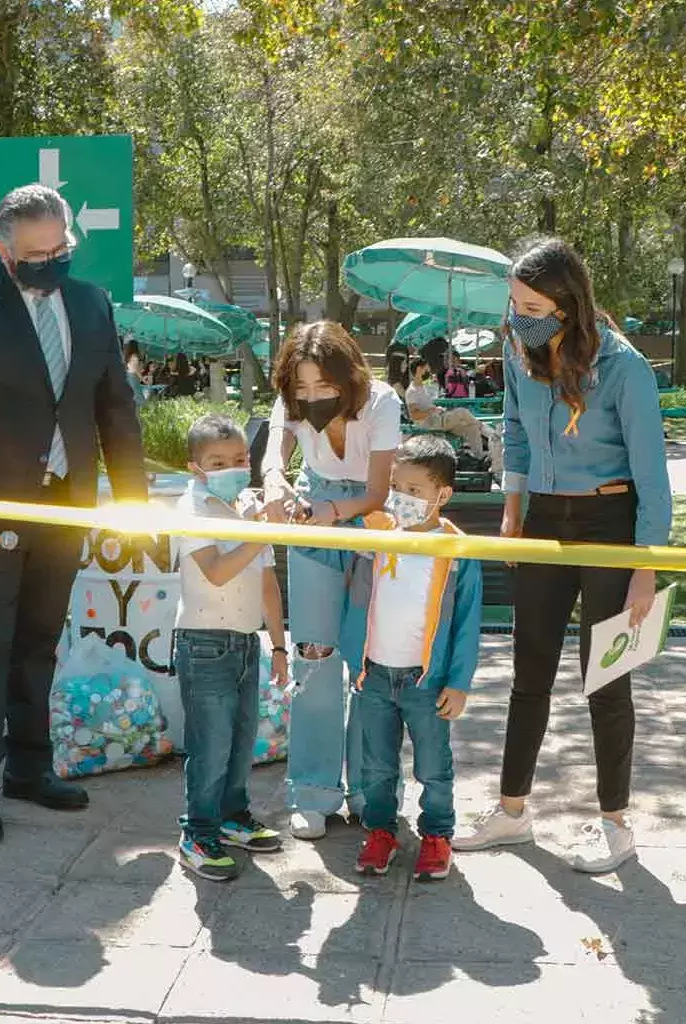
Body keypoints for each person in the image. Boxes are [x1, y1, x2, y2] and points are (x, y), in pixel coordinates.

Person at [0, 184, 147, 846]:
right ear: (3, 248)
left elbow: (115, 408)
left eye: (61, 248)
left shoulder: (91, 302)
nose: (51, 261)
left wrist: (130, 502)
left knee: (40, 639)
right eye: (36, 253)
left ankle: (31, 768)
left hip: (64, 502)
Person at [451, 237, 670, 874]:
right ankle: (513, 811)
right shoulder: (519, 353)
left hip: (610, 520)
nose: (518, 315)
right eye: (514, 302)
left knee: (604, 679)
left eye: (533, 304)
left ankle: (614, 823)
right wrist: (513, 513)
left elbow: (653, 476)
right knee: (529, 673)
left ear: (569, 305)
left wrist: (645, 568)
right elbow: (515, 432)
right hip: (544, 518)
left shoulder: (624, 368)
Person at [260, 320, 402, 840]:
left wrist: (334, 511)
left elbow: (379, 491)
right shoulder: (291, 400)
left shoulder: (382, 402)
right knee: (315, 656)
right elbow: (275, 453)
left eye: (324, 385)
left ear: (349, 376)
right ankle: (313, 791)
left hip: (368, 520)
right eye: (302, 387)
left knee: (368, 659)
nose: (313, 397)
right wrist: (274, 481)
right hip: (312, 516)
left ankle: (372, 788)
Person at [341, 435, 484, 881]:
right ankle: (381, 831)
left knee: (433, 767)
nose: (402, 499)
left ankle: (437, 835)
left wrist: (458, 682)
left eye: (415, 491)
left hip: (427, 681)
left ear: (443, 495)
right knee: (376, 766)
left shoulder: (457, 551)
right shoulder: (376, 534)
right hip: (375, 675)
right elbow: (324, 549)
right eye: (397, 487)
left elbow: (466, 623)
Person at [171, 414, 290, 880]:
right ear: (197, 468)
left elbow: (267, 581)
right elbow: (216, 571)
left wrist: (279, 647)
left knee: (242, 743)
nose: (233, 467)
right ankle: (197, 831)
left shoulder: (245, 504)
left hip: (245, 640)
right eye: (218, 461)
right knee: (211, 745)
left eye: (240, 459)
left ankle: (232, 816)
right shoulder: (192, 508)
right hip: (204, 643)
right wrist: (259, 528)